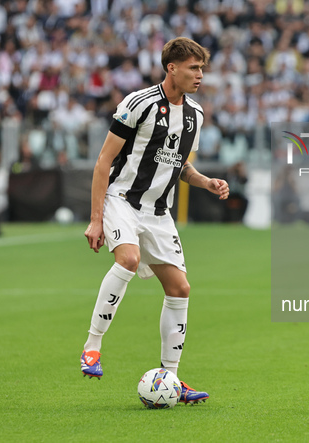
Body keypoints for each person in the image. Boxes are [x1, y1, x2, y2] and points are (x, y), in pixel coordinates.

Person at [81, 37, 229, 405]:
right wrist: (96, 219)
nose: (199, 75)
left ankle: (173, 381)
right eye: (193, 68)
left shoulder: (195, 114)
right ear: (172, 68)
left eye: (202, 69)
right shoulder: (137, 104)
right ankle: (92, 346)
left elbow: (179, 165)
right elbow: (104, 161)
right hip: (122, 201)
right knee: (128, 260)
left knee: (180, 289)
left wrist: (206, 181)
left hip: (159, 213)